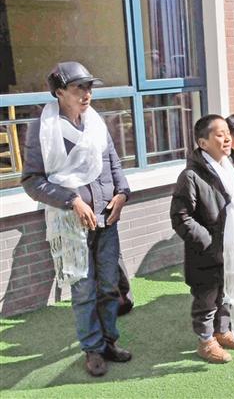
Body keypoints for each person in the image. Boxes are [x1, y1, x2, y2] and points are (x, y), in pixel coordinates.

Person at [21, 62, 132, 377]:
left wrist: (122, 194)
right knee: (84, 291)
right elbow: (32, 181)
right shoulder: (43, 129)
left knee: (109, 287)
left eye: (89, 87)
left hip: (106, 220)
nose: (87, 94)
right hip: (71, 225)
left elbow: (112, 161)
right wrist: (72, 201)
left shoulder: (95, 122)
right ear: (59, 92)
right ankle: (92, 349)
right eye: (78, 88)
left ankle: (109, 342)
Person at [170, 115, 234, 363]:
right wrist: (208, 243)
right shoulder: (190, 176)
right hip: (206, 253)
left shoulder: (231, 167)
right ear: (203, 143)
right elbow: (181, 217)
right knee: (206, 299)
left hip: (231, 246)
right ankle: (205, 342)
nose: (226, 138)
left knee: (224, 294)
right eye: (219, 134)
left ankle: (221, 332)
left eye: (227, 133)